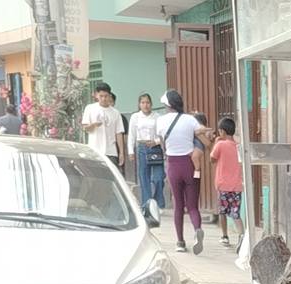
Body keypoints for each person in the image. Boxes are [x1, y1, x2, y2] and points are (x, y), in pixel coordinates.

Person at [160, 89, 206, 255]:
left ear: (168, 105)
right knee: (193, 206)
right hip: (190, 164)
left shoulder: (161, 121)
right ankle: (197, 229)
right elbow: (202, 130)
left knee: (178, 205)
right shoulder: (190, 119)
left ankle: (180, 241)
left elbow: (162, 143)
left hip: (173, 164)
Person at [128, 91, 164, 226]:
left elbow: (162, 134)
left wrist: (156, 142)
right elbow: (131, 135)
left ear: (151, 104)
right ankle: (147, 205)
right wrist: (130, 151)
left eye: (148, 102)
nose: (145, 105)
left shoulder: (158, 117)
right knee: (144, 177)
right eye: (143, 102)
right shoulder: (135, 117)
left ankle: (159, 203)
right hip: (142, 147)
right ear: (139, 104)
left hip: (155, 147)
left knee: (158, 177)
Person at [209, 116, 242, 247]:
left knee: (222, 211)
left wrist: (216, 142)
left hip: (223, 185)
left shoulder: (220, 145)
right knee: (235, 213)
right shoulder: (238, 147)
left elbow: (212, 159)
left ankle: (225, 236)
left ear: (222, 131)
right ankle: (241, 236)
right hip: (237, 186)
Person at [82, 81, 123, 173]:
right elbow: (85, 128)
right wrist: (93, 125)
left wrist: (121, 153)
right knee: (96, 178)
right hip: (94, 151)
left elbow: (119, 133)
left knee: (112, 177)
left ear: (109, 95)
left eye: (106, 96)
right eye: (101, 96)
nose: (104, 99)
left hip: (111, 151)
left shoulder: (115, 112)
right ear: (96, 95)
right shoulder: (90, 108)